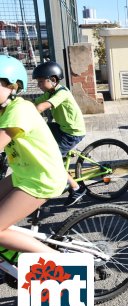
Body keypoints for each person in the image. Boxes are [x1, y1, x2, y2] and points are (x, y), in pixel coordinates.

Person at [0, 55, 67, 255]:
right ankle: (11, 257)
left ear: (13, 86)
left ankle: (57, 260)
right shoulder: (3, 111)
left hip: (42, 179)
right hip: (24, 175)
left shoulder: (19, 109)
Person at [33, 61, 87, 206]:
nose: (38, 85)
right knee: (41, 132)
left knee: (51, 159)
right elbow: (33, 103)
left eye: (40, 81)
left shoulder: (62, 92)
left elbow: (42, 106)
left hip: (72, 133)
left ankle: (76, 188)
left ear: (53, 80)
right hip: (61, 127)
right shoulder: (50, 92)